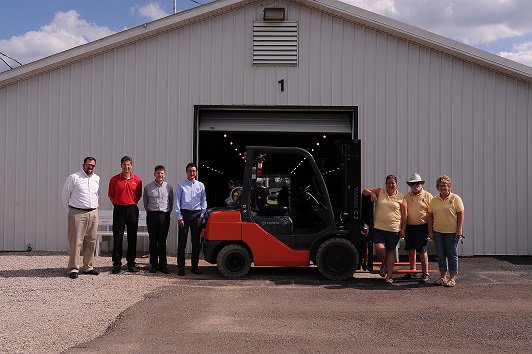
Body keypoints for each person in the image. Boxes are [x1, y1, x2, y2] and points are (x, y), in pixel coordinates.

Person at [363, 175, 407, 284]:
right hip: (379, 227)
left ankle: (389, 276)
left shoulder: (402, 198)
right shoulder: (380, 191)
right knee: (379, 248)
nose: (391, 185)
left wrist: (403, 229)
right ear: (385, 184)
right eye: (389, 183)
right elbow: (364, 191)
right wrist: (371, 193)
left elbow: (405, 215)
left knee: (391, 251)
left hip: (394, 229)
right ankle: (385, 264)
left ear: (396, 184)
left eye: (393, 183)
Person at [61, 157, 100, 279]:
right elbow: (65, 196)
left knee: (91, 241)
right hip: (77, 213)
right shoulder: (74, 177)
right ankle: (73, 268)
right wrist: (71, 212)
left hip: (93, 213)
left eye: (93, 165)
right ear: (83, 165)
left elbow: (98, 195)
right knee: (76, 242)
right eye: (88, 164)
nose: (90, 167)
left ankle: (88, 267)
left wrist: (94, 210)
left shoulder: (97, 179)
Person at [427, 175, 464, 287]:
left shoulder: (455, 198)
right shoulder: (434, 200)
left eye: (445, 185)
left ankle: (452, 278)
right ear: (437, 187)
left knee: (452, 254)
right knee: (441, 255)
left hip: (452, 232)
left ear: (449, 187)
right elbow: (430, 216)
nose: (443, 187)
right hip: (438, 232)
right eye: (441, 185)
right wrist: (430, 231)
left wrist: (459, 229)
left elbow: (460, 214)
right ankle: (443, 277)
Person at [108, 156, 142, 274]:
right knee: (118, 237)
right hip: (119, 210)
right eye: (124, 164)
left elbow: (138, 196)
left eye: (128, 164)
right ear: (121, 165)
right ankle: (116, 263)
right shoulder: (114, 179)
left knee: (132, 237)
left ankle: (131, 263)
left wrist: (129, 204)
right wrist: (119, 204)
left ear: (131, 165)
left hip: (132, 209)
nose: (126, 167)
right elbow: (111, 195)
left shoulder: (137, 180)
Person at [175, 162, 207, 276]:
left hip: (197, 215)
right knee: (182, 242)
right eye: (190, 171)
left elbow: (204, 201)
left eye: (194, 171)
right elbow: (177, 202)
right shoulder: (181, 185)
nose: (192, 173)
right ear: (186, 172)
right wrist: (179, 217)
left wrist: (202, 216)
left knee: (196, 243)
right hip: (184, 215)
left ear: (196, 172)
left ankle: (194, 267)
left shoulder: (201, 185)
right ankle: (181, 268)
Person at [403, 173, 433, 283]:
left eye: (417, 184)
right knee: (410, 249)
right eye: (412, 184)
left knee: (422, 250)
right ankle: (413, 271)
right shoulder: (406, 197)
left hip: (422, 227)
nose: (415, 186)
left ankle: (426, 273)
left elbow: (431, 214)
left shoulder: (428, 196)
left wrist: (430, 230)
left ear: (421, 184)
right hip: (410, 227)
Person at [143, 165, 173, 274]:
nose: (160, 175)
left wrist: (165, 213)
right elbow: (145, 202)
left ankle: (163, 265)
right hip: (152, 215)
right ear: (154, 174)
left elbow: (171, 202)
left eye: (162, 173)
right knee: (153, 241)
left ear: (164, 174)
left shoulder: (169, 187)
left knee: (162, 241)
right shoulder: (148, 187)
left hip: (164, 216)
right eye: (158, 173)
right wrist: (151, 212)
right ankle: (153, 265)